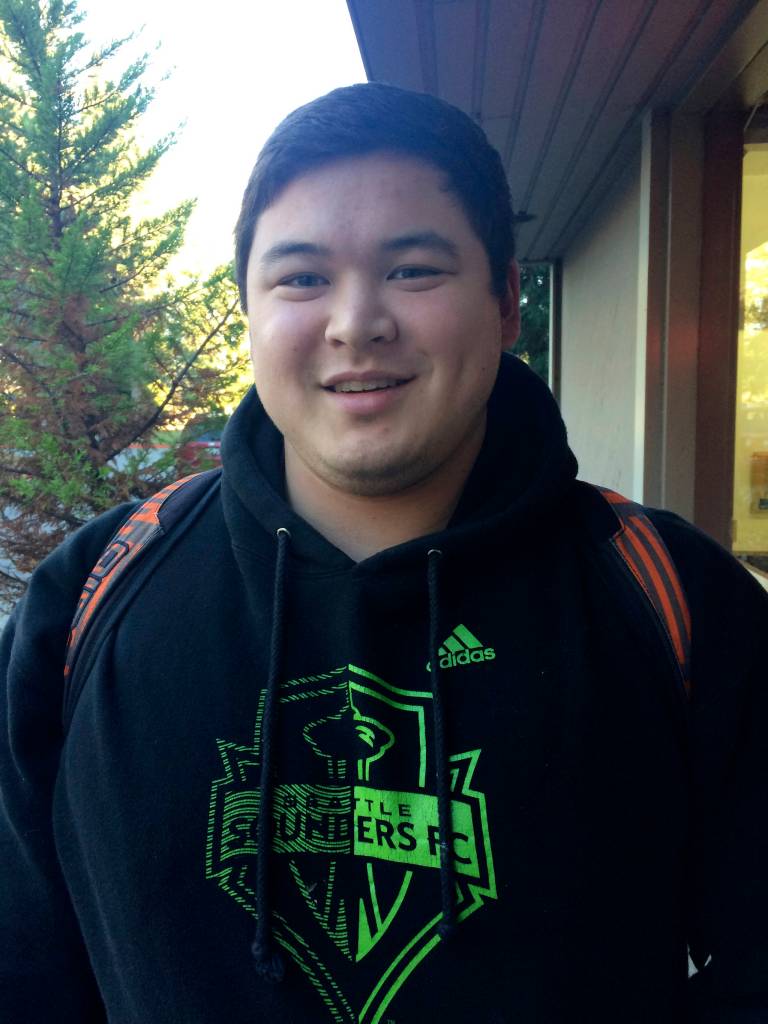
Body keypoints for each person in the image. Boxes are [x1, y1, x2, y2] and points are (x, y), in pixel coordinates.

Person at [1, 82, 766, 1024]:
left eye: (413, 270)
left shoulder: (674, 600)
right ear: (248, 310)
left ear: (505, 303)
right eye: (301, 278)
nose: (355, 321)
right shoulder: (88, 599)